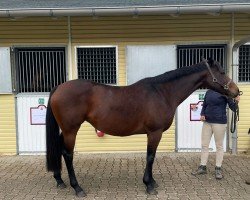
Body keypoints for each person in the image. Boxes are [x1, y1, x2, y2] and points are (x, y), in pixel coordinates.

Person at [192, 89, 240, 179]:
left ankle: (218, 168)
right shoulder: (209, 91)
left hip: (219, 123)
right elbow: (205, 104)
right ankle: (203, 167)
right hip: (207, 122)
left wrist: (236, 101)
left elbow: (233, 107)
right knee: (204, 145)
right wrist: (202, 114)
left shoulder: (226, 92)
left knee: (219, 146)